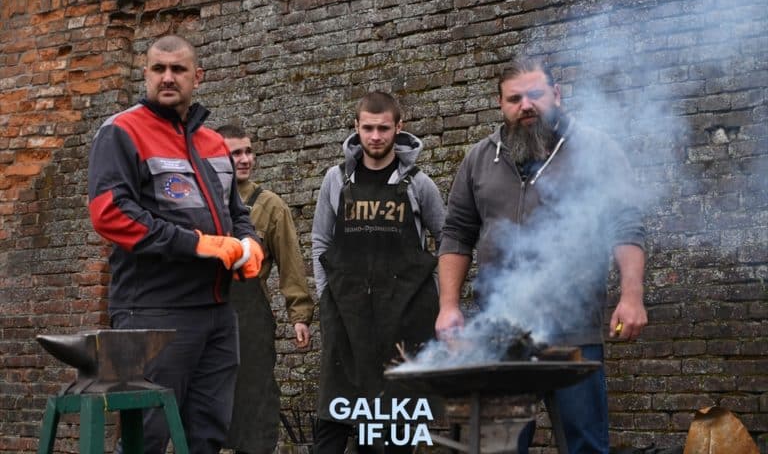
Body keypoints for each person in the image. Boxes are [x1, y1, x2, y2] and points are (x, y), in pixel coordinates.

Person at [435, 58, 648, 454]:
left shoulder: (596, 150)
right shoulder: (480, 158)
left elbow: (626, 224)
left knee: (584, 445)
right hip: (500, 332)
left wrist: (631, 296)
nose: (526, 105)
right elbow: (457, 234)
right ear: (501, 105)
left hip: (573, 331)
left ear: (557, 95)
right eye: (514, 98)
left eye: (535, 94)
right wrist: (449, 306)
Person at [87, 34, 265, 454]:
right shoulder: (121, 132)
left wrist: (248, 241)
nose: (168, 78)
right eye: (158, 69)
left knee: (207, 434)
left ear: (197, 77)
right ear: (145, 74)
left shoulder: (213, 142)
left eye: (178, 70)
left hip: (218, 314)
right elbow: (109, 213)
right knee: (143, 437)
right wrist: (195, 245)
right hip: (151, 311)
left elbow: (235, 209)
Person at [311, 91, 446, 454]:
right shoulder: (335, 180)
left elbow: (448, 238)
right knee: (334, 420)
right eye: (368, 128)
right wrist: (327, 295)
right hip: (347, 317)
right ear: (356, 128)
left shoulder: (419, 183)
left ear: (398, 128)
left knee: (398, 428)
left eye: (383, 128)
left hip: (404, 321)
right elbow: (320, 241)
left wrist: (434, 297)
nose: (375, 137)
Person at [216, 124, 315, 454]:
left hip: (249, 321)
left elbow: (291, 263)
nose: (245, 159)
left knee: (255, 403)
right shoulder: (201, 201)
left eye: (248, 151)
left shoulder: (270, 206)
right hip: (205, 313)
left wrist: (299, 315)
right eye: (235, 153)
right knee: (206, 401)